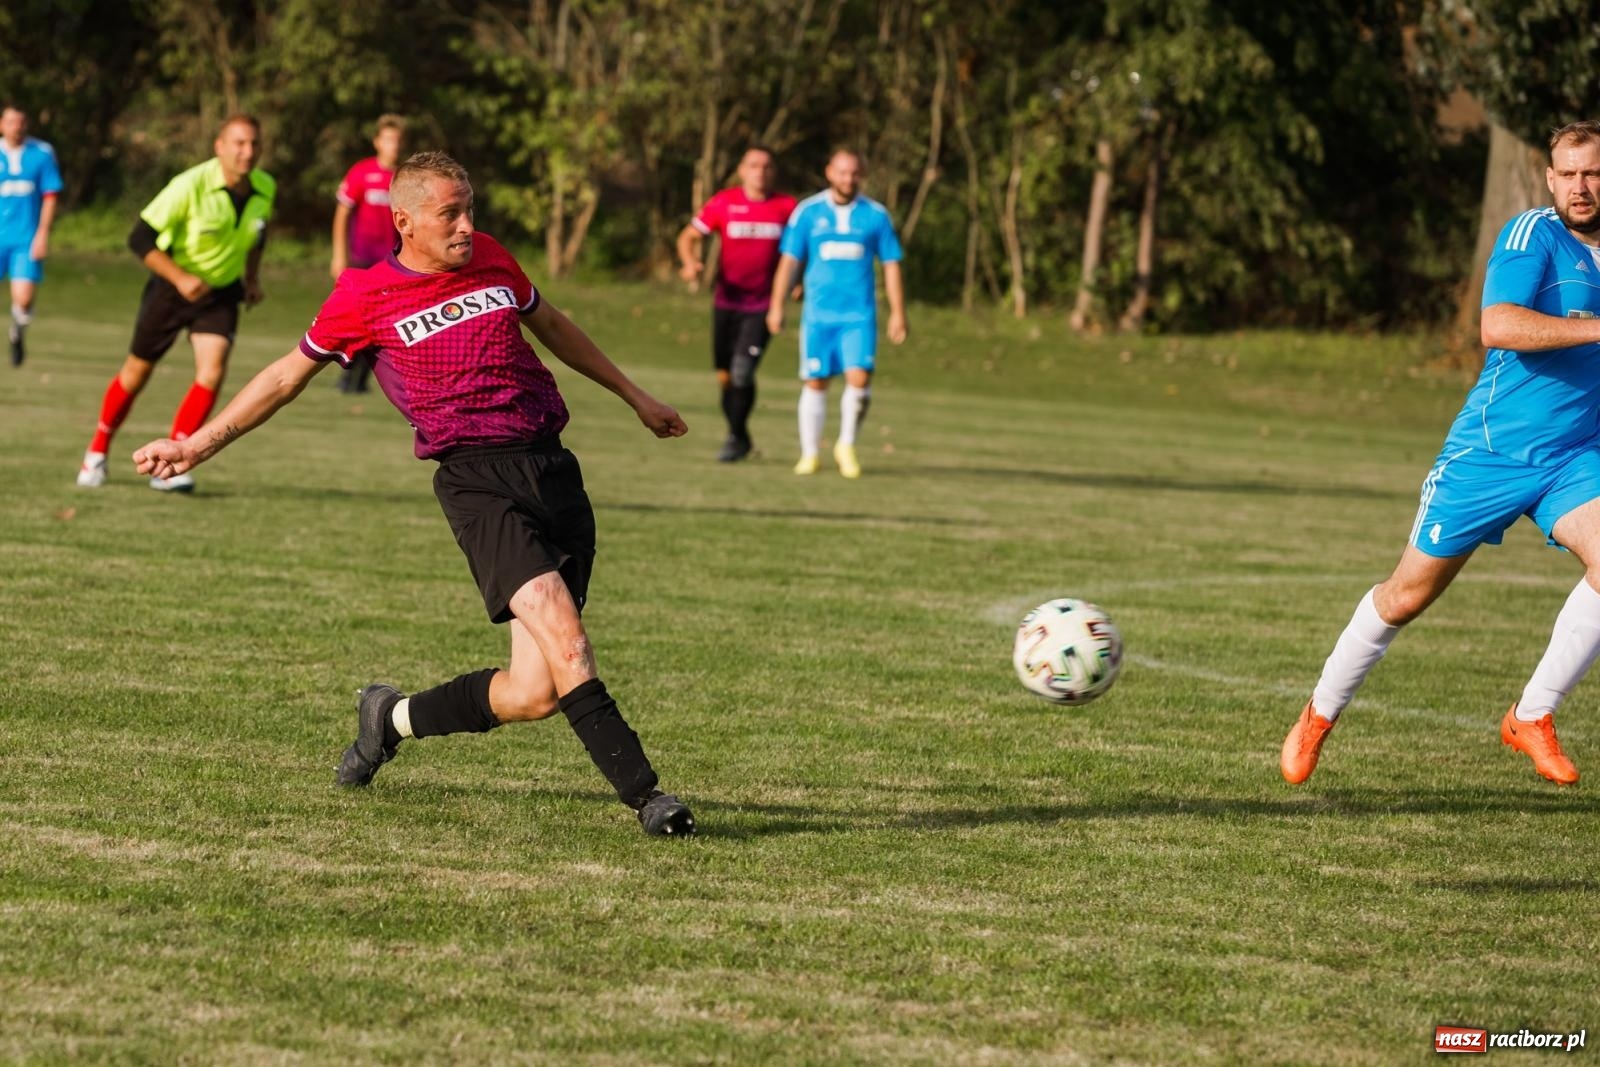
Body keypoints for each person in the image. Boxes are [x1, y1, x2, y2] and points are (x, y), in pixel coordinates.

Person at [131, 152, 697, 837]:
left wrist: (636, 396)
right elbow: (284, 377)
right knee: (568, 640)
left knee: (535, 692)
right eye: (449, 214)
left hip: (553, 471)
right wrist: (196, 446)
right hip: (476, 481)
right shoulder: (365, 294)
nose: (466, 226)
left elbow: (553, 325)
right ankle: (648, 796)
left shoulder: (491, 257)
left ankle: (389, 718)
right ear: (403, 221)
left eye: (469, 209)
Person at [1282, 119, 1600, 789]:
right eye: (1568, 174)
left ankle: (1532, 714)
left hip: (1575, 458)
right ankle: (1319, 713)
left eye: (1593, 172)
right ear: (1549, 179)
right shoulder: (1533, 235)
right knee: (1405, 597)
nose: (1581, 186)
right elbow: (1497, 323)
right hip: (1491, 453)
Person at [76, 114, 273, 492]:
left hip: (220, 293)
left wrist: (251, 278)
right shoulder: (188, 185)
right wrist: (181, 279)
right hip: (170, 289)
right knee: (135, 374)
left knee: (212, 371)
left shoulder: (265, 186)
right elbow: (139, 239)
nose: (248, 152)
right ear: (219, 147)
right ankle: (96, 452)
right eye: (239, 143)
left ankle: (172, 464)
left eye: (254, 144)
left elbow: (258, 235)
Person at [766, 150, 906, 479]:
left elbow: (891, 265)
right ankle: (810, 453)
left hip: (859, 316)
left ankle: (846, 445)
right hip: (818, 316)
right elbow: (789, 261)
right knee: (816, 381)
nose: (848, 179)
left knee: (860, 378)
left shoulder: (875, 215)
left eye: (854, 173)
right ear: (829, 172)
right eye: (842, 172)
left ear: (862, 175)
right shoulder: (808, 212)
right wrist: (777, 305)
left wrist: (898, 312)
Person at [675, 146, 797, 462]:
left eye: (767, 166)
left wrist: (800, 281)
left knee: (742, 372)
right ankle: (740, 436)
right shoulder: (724, 202)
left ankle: (734, 437)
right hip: (726, 302)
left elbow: (804, 249)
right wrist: (690, 262)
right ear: (741, 170)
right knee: (726, 377)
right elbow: (688, 237)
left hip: (763, 304)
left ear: (774, 172)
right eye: (753, 165)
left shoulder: (788, 208)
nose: (760, 171)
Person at [330, 114, 405, 394]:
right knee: (355, 319)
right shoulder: (362, 172)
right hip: (361, 259)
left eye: (398, 140)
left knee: (381, 324)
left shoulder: (403, 179)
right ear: (377, 142)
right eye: (388, 139)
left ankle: (358, 379)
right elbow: (342, 213)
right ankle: (348, 375)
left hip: (390, 263)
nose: (394, 145)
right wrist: (339, 255)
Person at [0, 103, 62, 367]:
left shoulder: (42, 153)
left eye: (21, 122)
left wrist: (43, 234)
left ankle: (17, 333)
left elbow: (50, 195)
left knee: (24, 299)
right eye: (11, 122)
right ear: (2, 125)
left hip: (26, 238)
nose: (17, 127)